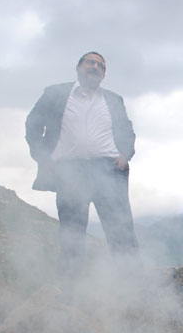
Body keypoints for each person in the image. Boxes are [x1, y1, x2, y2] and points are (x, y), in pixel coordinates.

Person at [25, 52, 139, 272]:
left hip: (109, 170)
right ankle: (70, 294)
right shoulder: (56, 94)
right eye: (90, 62)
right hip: (70, 172)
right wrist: (42, 157)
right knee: (72, 235)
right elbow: (32, 125)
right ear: (78, 67)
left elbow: (127, 131)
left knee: (121, 233)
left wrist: (125, 155)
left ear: (104, 74)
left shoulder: (113, 100)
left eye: (100, 66)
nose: (95, 67)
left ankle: (133, 289)